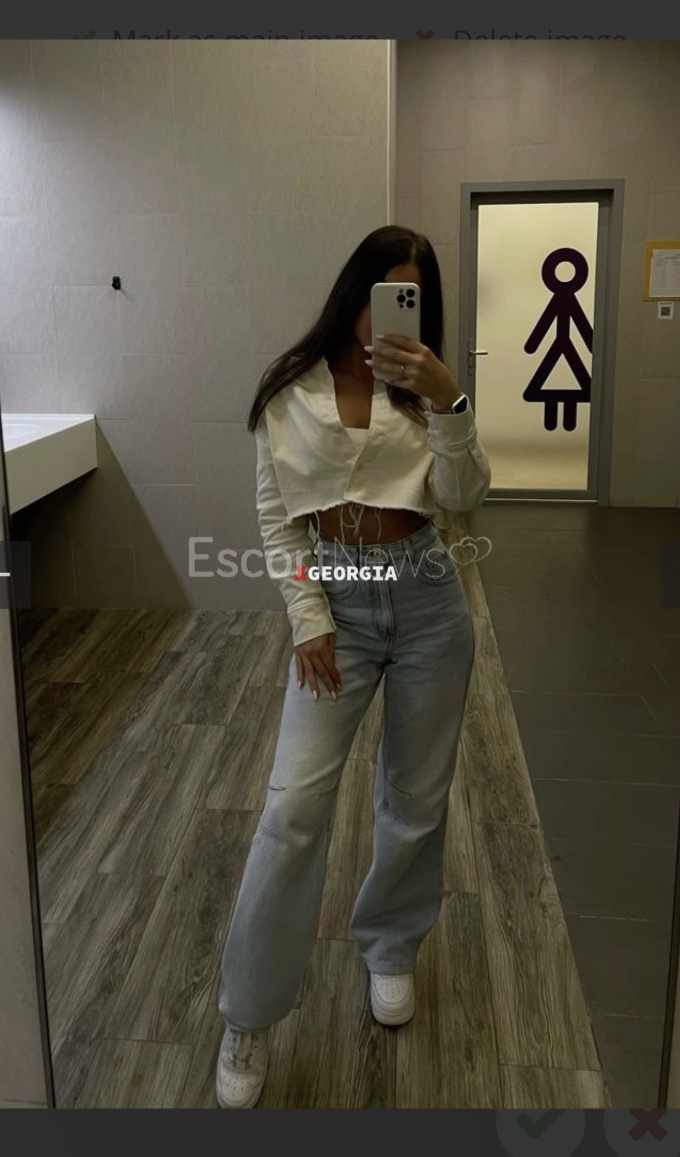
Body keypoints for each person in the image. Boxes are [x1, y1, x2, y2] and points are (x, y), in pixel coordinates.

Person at [214, 225, 492, 1108]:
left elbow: (463, 499)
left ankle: (390, 947)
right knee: (293, 811)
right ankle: (248, 1013)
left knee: (416, 800)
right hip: (335, 600)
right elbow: (277, 519)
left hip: (428, 600)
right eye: (384, 291)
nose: (393, 313)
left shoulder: (426, 390)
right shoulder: (290, 389)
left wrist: (449, 401)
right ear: (355, 292)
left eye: (413, 297)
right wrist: (307, 618)